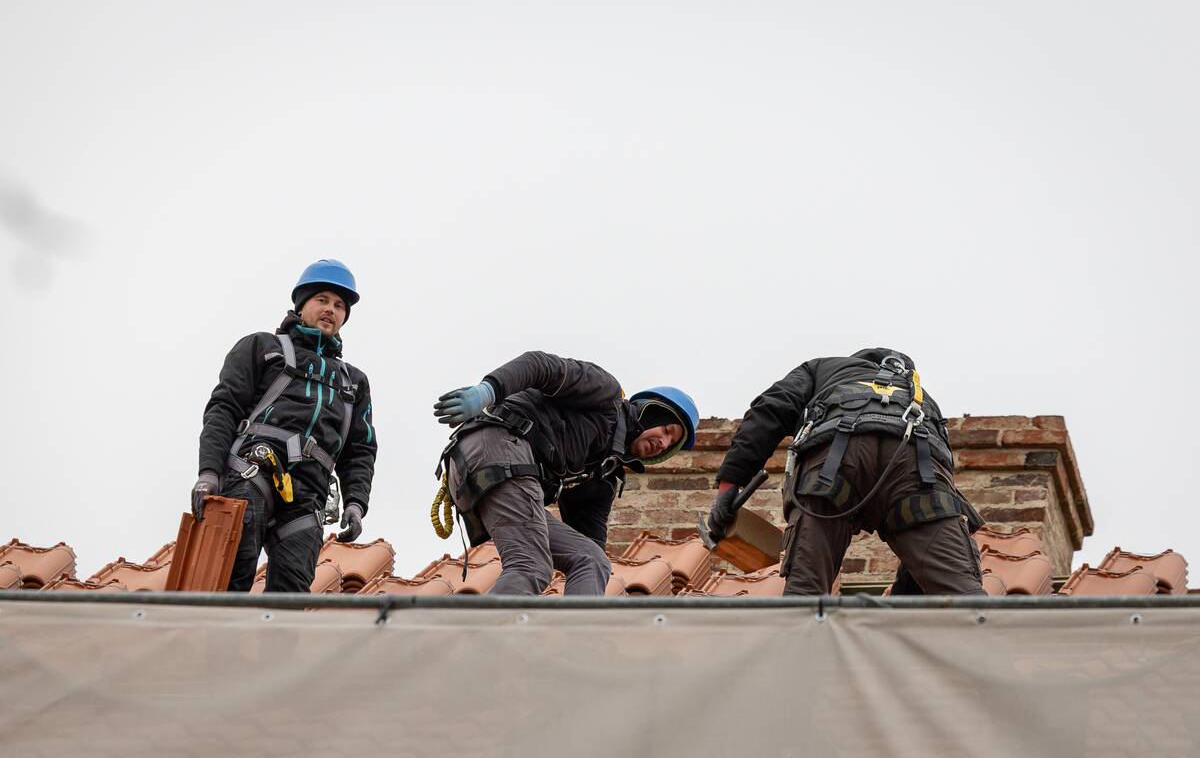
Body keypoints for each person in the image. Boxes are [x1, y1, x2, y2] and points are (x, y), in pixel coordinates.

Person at [709, 348, 984, 596]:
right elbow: (929, 538)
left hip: (833, 464)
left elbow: (769, 411)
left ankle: (800, 628)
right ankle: (983, 628)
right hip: (916, 464)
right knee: (963, 596)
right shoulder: (919, 395)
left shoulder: (822, 368)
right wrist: (898, 603)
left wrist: (729, 486)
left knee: (805, 593)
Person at [433, 351, 698, 595]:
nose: (663, 443)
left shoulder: (602, 475)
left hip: (492, 473)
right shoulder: (604, 394)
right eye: (666, 430)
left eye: (670, 444)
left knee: (591, 560)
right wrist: (488, 391)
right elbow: (540, 366)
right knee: (530, 565)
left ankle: (576, 627)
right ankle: (479, 629)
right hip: (497, 446)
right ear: (650, 412)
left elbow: (586, 546)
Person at [191, 259, 377, 592]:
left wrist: (355, 503)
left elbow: (360, 451)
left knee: (291, 595)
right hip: (251, 471)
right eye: (322, 299)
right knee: (228, 576)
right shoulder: (262, 348)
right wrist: (209, 473)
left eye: (339, 306)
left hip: (309, 496)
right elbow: (223, 409)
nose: (331, 310)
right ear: (301, 305)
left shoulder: (353, 382)